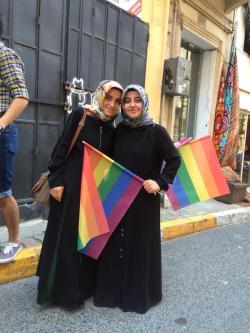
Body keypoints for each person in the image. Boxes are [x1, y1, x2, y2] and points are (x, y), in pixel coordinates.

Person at [94, 84, 181, 314]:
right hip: (119, 196)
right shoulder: (120, 129)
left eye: (137, 100)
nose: (132, 104)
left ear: (144, 103)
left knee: (139, 246)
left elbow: (174, 160)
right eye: (127, 101)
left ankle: (138, 296)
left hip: (144, 200)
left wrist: (160, 182)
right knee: (115, 244)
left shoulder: (156, 131)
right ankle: (113, 293)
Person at [37, 80, 123, 309]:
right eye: (108, 98)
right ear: (100, 95)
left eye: (117, 101)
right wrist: (56, 180)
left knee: (85, 242)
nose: (112, 104)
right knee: (64, 242)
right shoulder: (81, 115)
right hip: (69, 190)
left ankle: (82, 289)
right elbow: (61, 148)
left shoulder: (113, 129)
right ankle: (60, 294)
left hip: (94, 195)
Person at [0, 14, 29, 264]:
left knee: (2, 192)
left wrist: (1, 123)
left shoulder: (5, 55)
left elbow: (21, 96)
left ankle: (14, 241)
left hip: (2, 130)